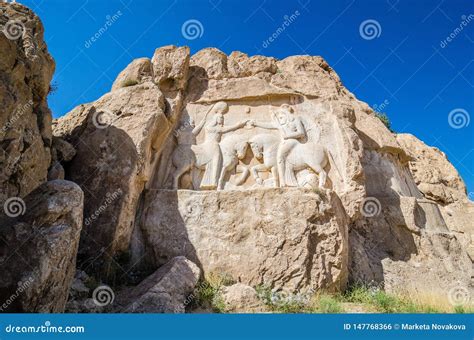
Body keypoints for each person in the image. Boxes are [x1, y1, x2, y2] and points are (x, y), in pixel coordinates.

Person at [192, 101, 249, 190]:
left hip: (213, 145)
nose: (222, 120)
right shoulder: (212, 128)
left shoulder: (211, 127)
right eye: (221, 119)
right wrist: (238, 125)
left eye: (222, 119)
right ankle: (214, 182)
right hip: (212, 146)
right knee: (216, 160)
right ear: (216, 119)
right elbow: (225, 129)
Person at [251, 104, 307, 187]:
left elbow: (301, 133)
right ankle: (282, 180)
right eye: (280, 115)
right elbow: (269, 125)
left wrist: (288, 136)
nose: (280, 116)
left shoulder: (296, 120)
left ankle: (283, 182)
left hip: (292, 142)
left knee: (280, 157)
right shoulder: (280, 124)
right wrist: (256, 123)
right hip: (284, 143)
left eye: (282, 114)